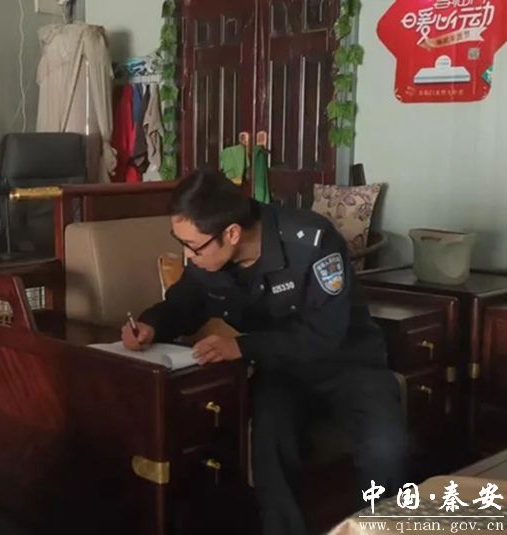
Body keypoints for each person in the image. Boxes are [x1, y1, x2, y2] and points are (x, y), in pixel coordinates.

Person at [122, 170, 406, 535]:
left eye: (194, 247)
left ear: (232, 234)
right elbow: (186, 300)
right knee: (269, 440)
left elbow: (326, 334)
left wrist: (241, 346)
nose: (189, 256)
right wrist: (151, 324)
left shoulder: (312, 241)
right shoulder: (211, 257)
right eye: (182, 244)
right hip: (281, 370)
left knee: (386, 448)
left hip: (349, 364)